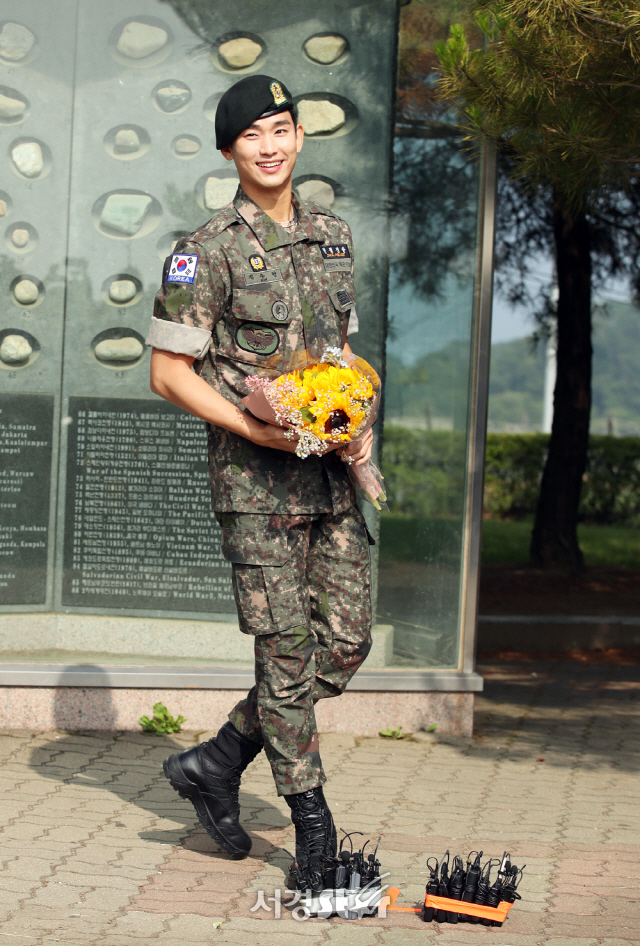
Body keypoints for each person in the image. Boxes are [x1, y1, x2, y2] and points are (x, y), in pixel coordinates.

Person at [146, 75, 374, 892]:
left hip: (332, 480)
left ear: (300, 138)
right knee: (284, 654)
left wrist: (357, 414)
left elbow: (342, 352)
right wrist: (255, 427)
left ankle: (216, 759)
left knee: (344, 645)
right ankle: (315, 842)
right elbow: (168, 374)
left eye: (281, 128)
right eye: (252, 135)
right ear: (228, 151)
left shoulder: (334, 237)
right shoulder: (200, 250)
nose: (270, 145)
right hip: (256, 487)